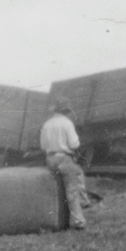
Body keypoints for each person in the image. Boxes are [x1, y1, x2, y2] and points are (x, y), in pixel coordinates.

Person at [40, 96, 88, 230]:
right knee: (72, 189)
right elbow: (74, 144)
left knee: (74, 175)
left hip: (50, 159)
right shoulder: (66, 123)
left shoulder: (47, 124)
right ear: (66, 110)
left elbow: (43, 146)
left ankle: (82, 202)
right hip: (63, 158)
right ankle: (78, 220)